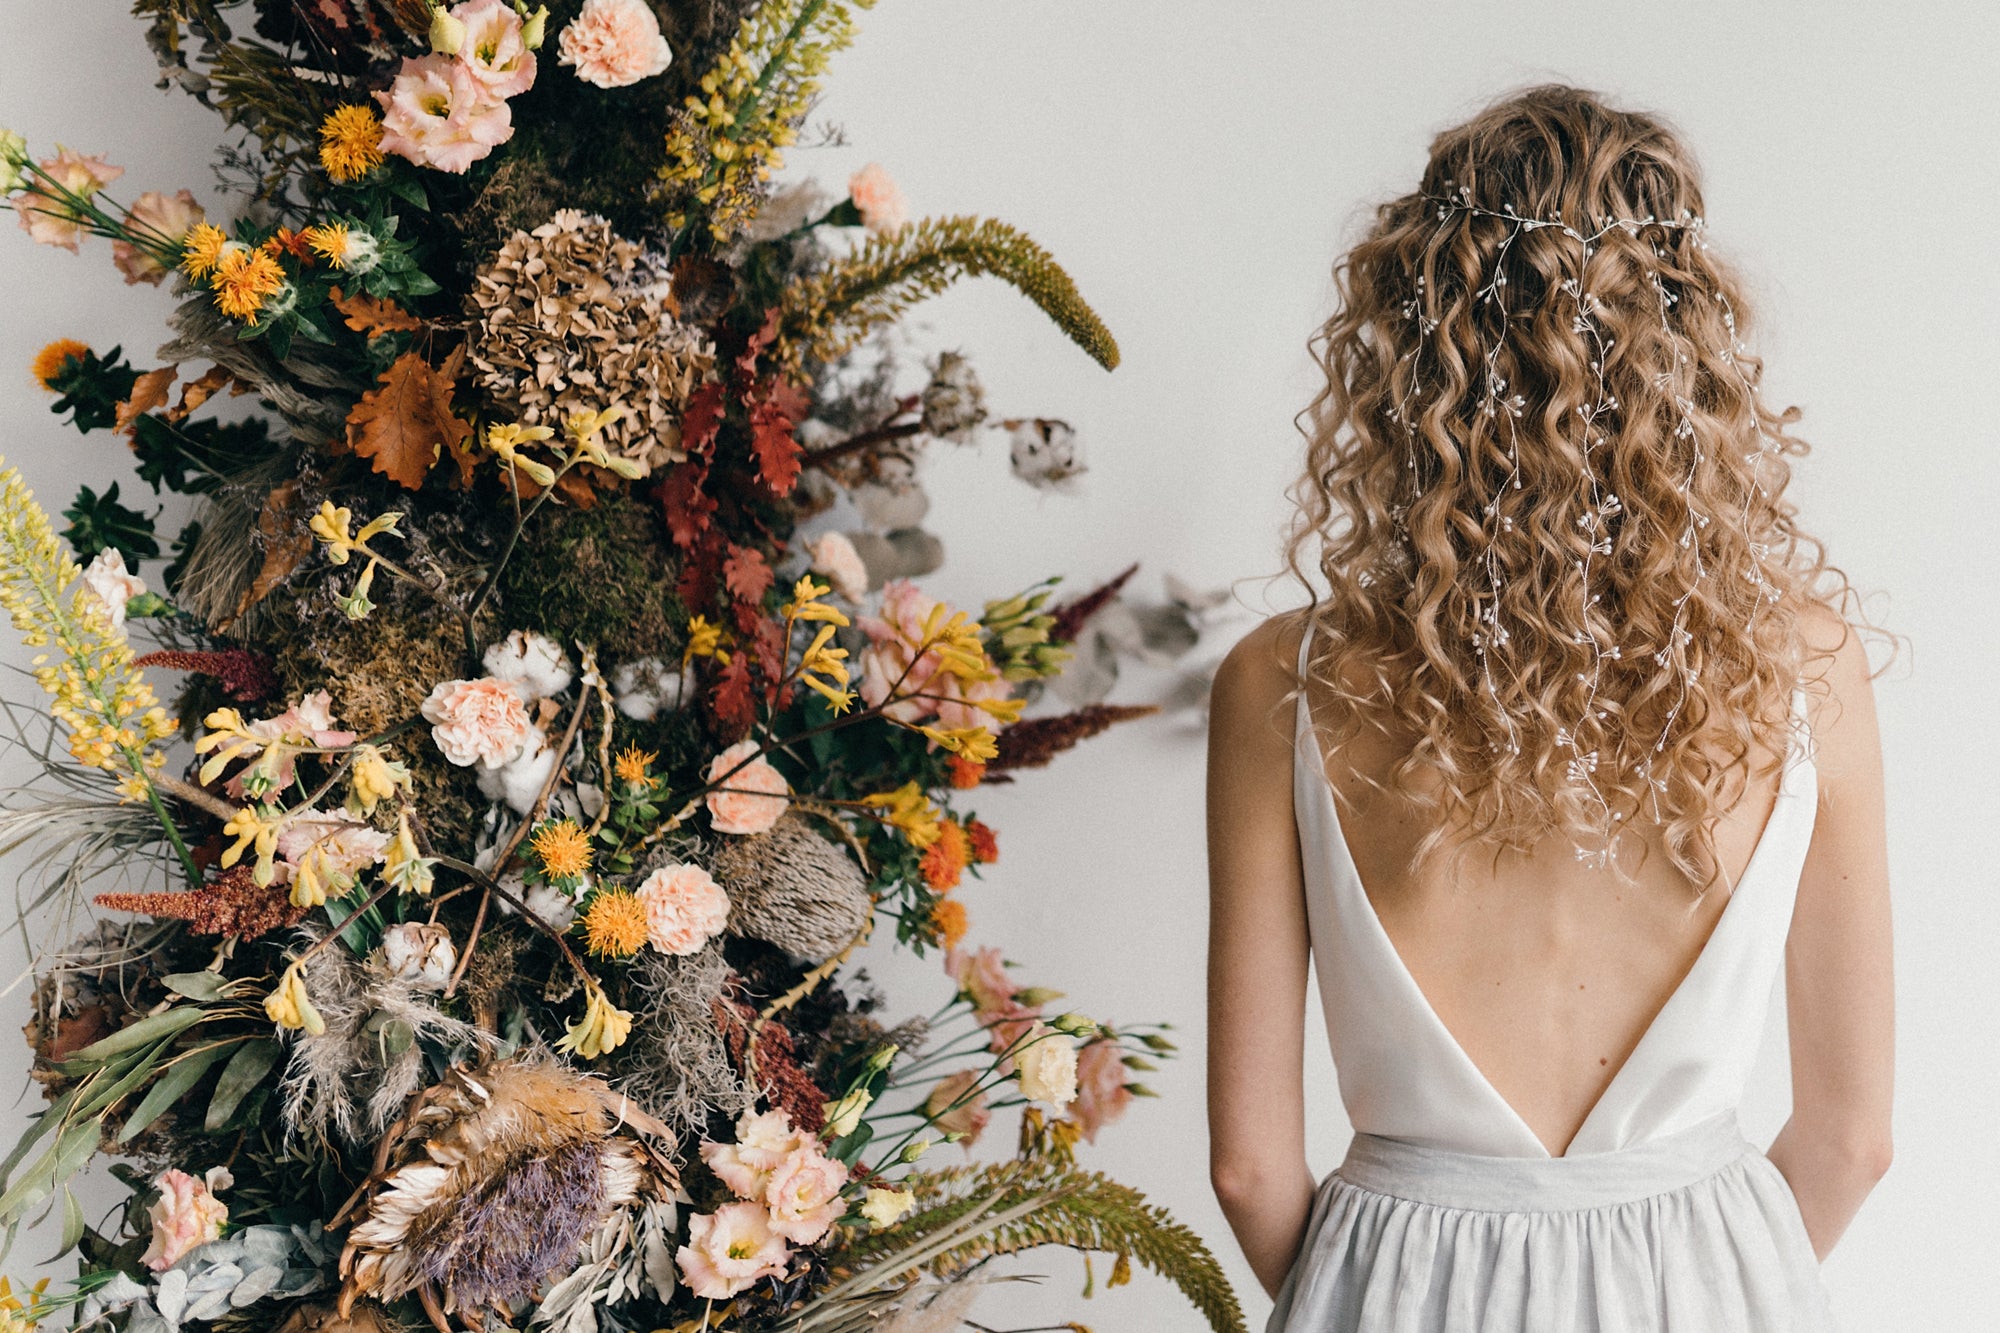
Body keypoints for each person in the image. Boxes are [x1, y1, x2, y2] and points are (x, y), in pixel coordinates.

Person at [1205, 84, 1893, 1331]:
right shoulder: (1803, 666)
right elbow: (1849, 1140)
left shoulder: (1282, 681)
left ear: (1410, 353)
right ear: (1687, 349)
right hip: (1711, 1275)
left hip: (1390, 1280)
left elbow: (1249, 1168)